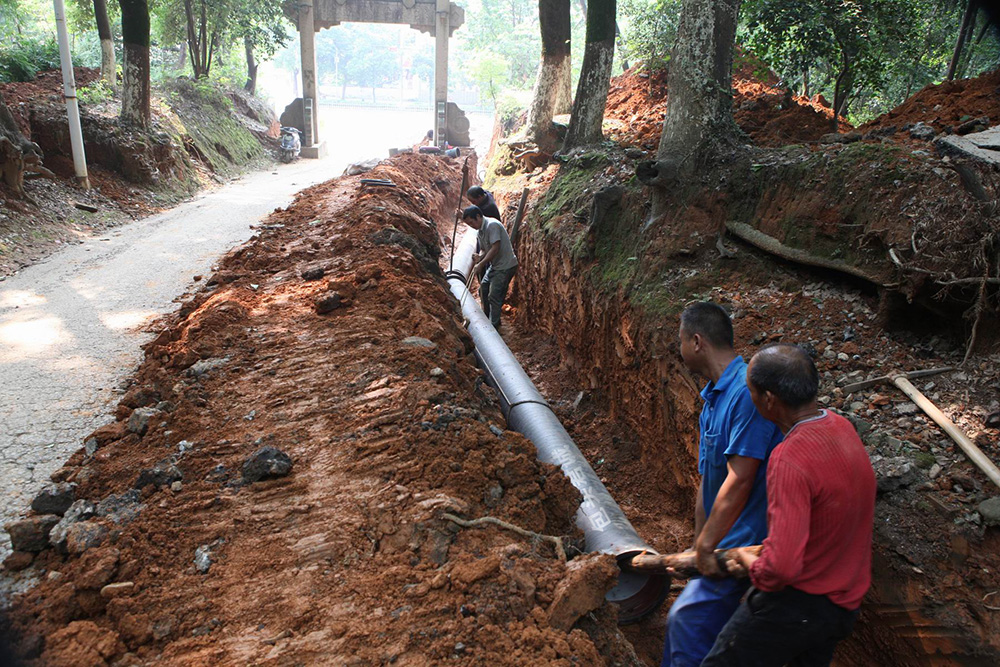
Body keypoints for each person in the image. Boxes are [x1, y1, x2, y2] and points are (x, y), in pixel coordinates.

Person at [702, 344, 876, 667]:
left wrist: (748, 563)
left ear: (768, 400)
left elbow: (780, 568)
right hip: (844, 603)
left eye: (750, 391)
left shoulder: (789, 458)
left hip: (798, 605)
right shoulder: (841, 427)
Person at [662, 302, 783, 667]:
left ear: (697, 342)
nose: (679, 349)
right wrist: (699, 548)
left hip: (746, 547)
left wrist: (708, 546)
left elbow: (741, 477)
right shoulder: (712, 400)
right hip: (719, 546)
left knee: (685, 622)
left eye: (681, 341)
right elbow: (707, 482)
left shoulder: (747, 395)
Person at [462, 205, 518, 330]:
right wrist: (479, 257)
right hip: (495, 266)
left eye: (471, 222)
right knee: (483, 289)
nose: (471, 226)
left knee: (494, 296)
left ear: (478, 216)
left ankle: (494, 326)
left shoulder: (492, 225)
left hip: (505, 266)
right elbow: (483, 249)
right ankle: (486, 318)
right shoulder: (480, 230)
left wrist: (481, 264)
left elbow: (495, 248)